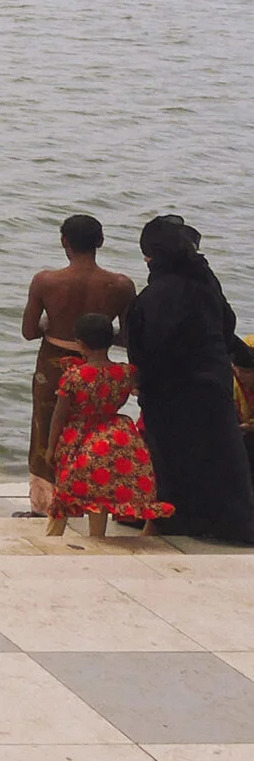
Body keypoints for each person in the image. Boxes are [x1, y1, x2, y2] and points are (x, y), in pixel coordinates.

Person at [126, 216, 254, 544]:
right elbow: (225, 328)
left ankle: (175, 518)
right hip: (212, 383)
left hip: (169, 390)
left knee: (171, 456)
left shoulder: (154, 295)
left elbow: (145, 346)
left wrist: (140, 382)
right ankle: (230, 523)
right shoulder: (206, 283)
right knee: (222, 454)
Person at [22, 214, 135, 509]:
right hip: (97, 366)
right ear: (100, 241)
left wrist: (51, 325)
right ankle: (88, 496)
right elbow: (127, 337)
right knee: (92, 430)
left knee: (45, 427)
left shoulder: (45, 281)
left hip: (53, 362)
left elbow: (29, 332)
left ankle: (45, 504)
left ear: (64, 242)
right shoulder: (121, 285)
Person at [41, 312, 166, 538]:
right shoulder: (126, 373)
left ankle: (53, 535)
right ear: (111, 341)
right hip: (115, 436)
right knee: (98, 492)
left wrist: (50, 447)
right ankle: (97, 537)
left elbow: (59, 416)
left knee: (65, 489)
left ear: (79, 343)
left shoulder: (74, 376)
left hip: (78, 436)